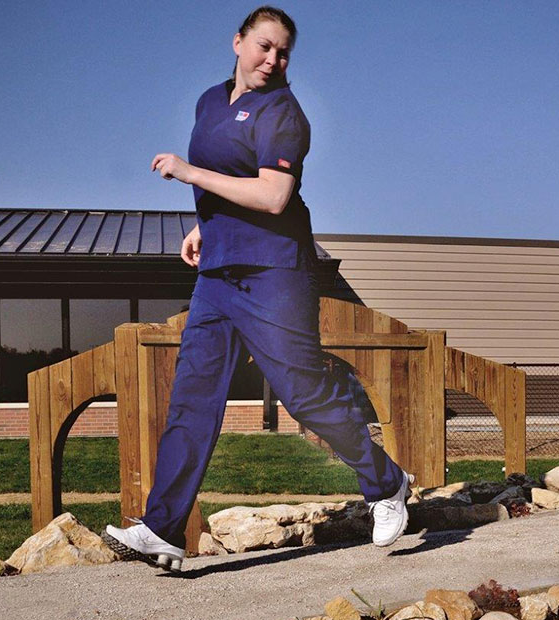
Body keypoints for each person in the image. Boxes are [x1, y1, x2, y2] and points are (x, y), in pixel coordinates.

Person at [104, 6, 411, 572]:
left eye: (284, 52)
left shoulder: (285, 114)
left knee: (304, 394)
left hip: (275, 272)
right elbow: (231, 179)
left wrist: (187, 173)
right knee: (192, 398)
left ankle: (388, 483)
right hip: (219, 274)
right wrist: (205, 226)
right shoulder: (208, 101)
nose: (273, 59)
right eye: (264, 47)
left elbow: (272, 197)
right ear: (238, 42)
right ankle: (163, 529)